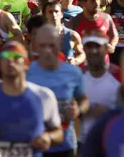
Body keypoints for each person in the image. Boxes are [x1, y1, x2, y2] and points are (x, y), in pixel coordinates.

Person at [0, 41, 64, 157]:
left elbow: (59, 133)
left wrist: (48, 137)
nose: (10, 60)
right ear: (0, 64)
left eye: (16, 56)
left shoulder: (43, 96)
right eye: (5, 56)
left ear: (26, 64)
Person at [28, 25, 89, 157]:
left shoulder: (73, 72)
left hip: (65, 145)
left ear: (60, 44)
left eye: (52, 45)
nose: (47, 50)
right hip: (35, 146)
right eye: (43, 46)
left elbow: (84, 100)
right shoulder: (27, 73)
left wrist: (78, 110)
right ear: (35, 46)